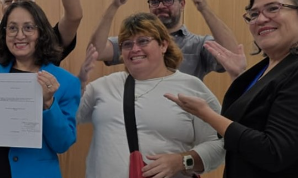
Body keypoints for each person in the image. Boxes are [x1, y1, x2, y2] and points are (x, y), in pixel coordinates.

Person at [166, 0, 298, 178]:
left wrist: (207, 115)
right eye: (253, 14)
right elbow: (248, 124)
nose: (261, 19)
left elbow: (274, 152)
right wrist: (238, 77)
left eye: (273, 8)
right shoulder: (264, 68)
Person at [78, 12, 224, 178]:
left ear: (163, 45)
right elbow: (68, 118)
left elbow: (219, 144)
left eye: (143, 41)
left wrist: (180, 161)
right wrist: (78, 85)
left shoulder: (191, 87)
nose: (135, 49)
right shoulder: (102, 86)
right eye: (127, 44)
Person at [0, 0, 81, 178]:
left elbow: (62, 143)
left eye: (28, 28)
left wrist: (48, 104)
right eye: (12, 28)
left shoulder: (64, 82)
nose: (19, 35)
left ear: (41, 33)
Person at [90, 0, 244, 80]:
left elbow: (232, 56)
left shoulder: (198, 44)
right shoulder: (136, 43)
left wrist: (204, 8)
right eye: (155, 2)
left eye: (168, 0)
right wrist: (114, 5)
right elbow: (97, 50)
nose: (161, 6)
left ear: (182, 4)